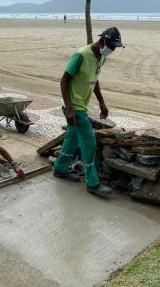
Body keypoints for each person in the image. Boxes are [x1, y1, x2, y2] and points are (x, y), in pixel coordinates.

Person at [53, 27, 125, 197]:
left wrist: (101, 102)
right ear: (102, 41)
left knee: (71, 138)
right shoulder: (81, 55)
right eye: (112, 46)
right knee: (89, 142)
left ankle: (60, 168)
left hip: (81, 105)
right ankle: (92, 183)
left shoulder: (101, 58)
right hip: (73, 105)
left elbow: (94, 80)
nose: (113, 50)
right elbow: (63, 81)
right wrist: (69, 109)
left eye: (115, 47)